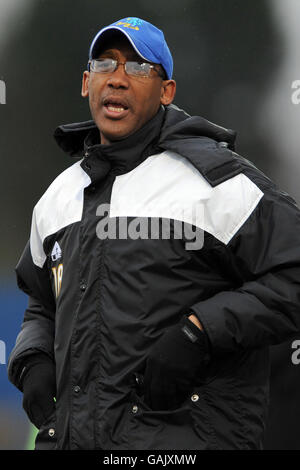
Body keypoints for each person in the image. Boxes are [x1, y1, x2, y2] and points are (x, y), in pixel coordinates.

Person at [8, 16, 300, 451]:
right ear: (87, 83)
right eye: (106, 64)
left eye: (140, 68)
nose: (119, 79)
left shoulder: (217, 182)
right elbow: (40, 301)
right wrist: (32, 359)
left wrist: (198, 332)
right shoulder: (58, 196)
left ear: (167, 92)